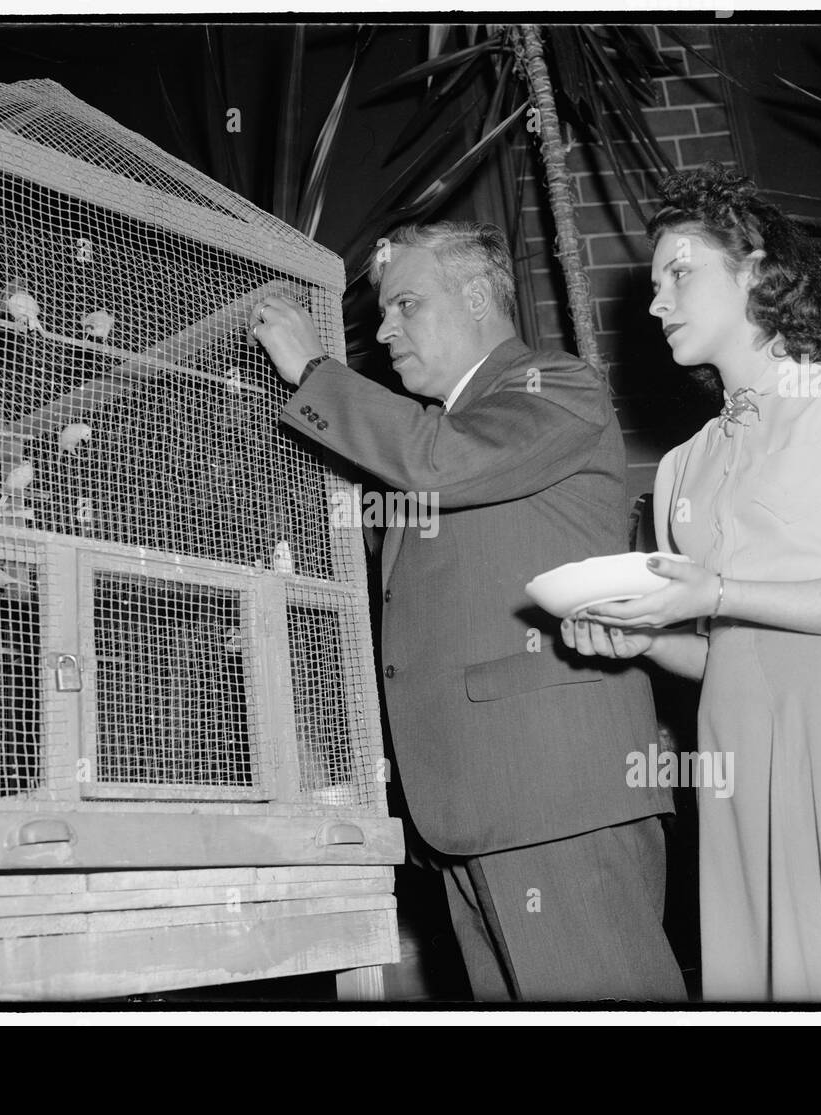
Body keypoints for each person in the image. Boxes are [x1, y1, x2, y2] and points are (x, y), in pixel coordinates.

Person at [562, 166, 821, 1002]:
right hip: (738, 769)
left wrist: (716, 590)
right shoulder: (684, 465)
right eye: (652, 286)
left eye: (681, 273)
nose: (658, 303)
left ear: (757, 270)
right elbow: (730, 653)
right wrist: (649, 637)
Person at [249, 221, 686, 1001]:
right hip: (467, 805)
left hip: (552, 799)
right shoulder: (444, 429)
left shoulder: (555, 385)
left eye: (406, 303)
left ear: (479, 294)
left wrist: (311, 368)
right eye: (382, 313)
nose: (384, 332)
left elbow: (437, 458)